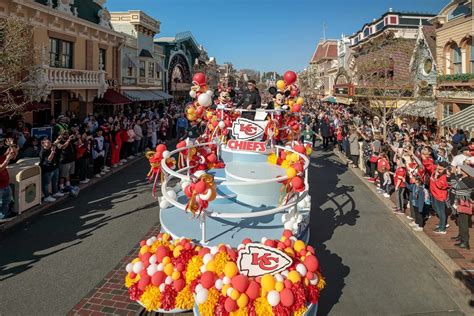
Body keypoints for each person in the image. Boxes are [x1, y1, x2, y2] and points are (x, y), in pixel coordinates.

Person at [450, 165, 473, 249]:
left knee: (463, 222)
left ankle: (465, 242)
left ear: (466, 172)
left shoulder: (468, 180)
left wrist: (452, 173)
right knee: (460, 220)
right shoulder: (462, 178)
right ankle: (461, 236)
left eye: (462, 170)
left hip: (464, 202)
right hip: (459, 201)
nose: (460, 171)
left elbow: (454, 185)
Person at [39, 138, 63, 202]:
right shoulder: (43, 152)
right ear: (43, 143)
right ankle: (46, 196)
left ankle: (55, 192)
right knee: (46, 184)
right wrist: (52, 152)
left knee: (55, 181)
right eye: (47, 142)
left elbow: (57, 144)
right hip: (47, 170)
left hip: (54, 167)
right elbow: (48, 160)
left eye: (50, 142)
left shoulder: (51, 147)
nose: (49, 144)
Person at [430, 161, 449, 234]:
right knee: (435, 208)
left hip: (440, 196)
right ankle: (442, 222)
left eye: (440, 169)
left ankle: (442, 228)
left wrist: (435, 176)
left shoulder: (444, 177)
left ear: (444, 169)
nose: (438, 170)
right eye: (438, 167)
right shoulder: (436, 170)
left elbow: (439, 185)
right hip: (434, 194)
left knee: (441, 212)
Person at [0, 139, 17, 218]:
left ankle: (5, 215)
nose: (2, 144)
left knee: (6, 202)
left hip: (6, 184)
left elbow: (13, 154)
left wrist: (11, 145)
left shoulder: (2, 156)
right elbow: (1, 168)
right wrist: (7, 159)